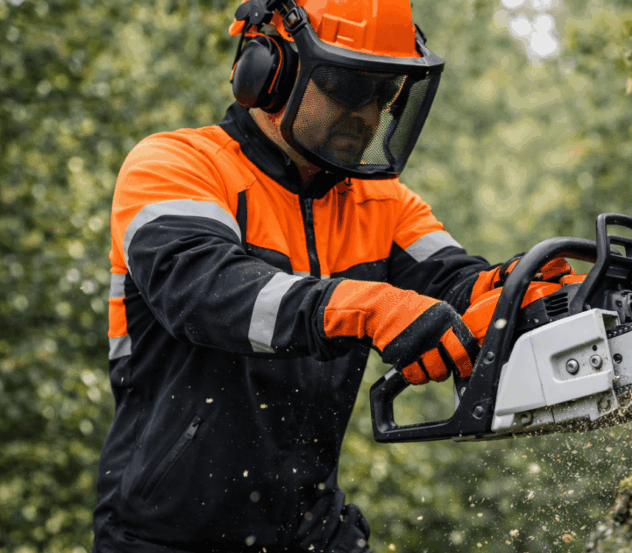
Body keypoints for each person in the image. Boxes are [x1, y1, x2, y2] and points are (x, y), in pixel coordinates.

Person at [92, 0, 575, 551]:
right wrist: (364, 308)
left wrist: (516, 292)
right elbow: (204, 290)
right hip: (168, 533)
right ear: (269, 71)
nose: (368, 115)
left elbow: (453, 284)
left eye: (384, 93)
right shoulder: (177, 165)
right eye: (347, 86)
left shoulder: (381, 203)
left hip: (311, 526)